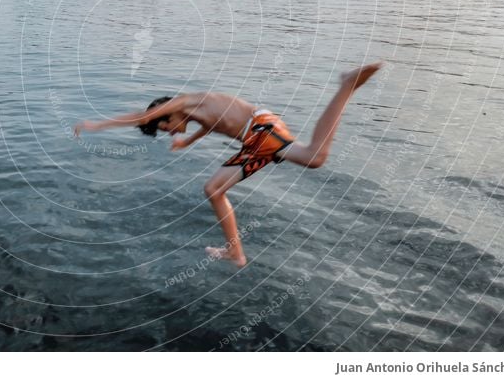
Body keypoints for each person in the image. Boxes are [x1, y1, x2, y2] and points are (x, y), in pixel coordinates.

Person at [74, 62, 382, 267]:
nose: (167, 132)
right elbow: (214, 125)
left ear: (165, 113)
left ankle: (346, 86)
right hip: (254, 138)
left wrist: (96, 125)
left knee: (315, 157)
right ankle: (235, 251)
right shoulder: (194, 110)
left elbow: (139, 117)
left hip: (260, 130)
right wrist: (188, 142)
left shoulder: (181, 103)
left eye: (164, 127)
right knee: (213, 189)